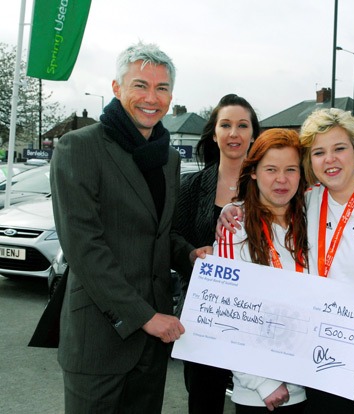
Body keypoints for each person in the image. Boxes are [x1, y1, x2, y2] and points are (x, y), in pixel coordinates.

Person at [218, 109, 354, 413]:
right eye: (318, 152)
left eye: (339, 148)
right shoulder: (307, 202)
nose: (329, 159)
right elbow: (265, 201)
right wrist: (232, 209)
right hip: (320, 374)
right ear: (310, 161)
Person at [50, 42, 200, 413]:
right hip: (101, 339)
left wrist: (191, 255)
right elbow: (84, 247)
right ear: (117, 89)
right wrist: (144, 317)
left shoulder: (167, 157)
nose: (152, 98)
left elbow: (155, 235)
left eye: (162, 88)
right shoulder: (78, 147)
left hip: (152, 344)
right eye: (140, 85)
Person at [172, 93, 260, 413]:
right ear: (214, 134)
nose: (234, 133)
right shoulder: (191, 185)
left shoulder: (269, 186)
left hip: (255, 315)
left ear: (253, 133)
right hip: (204, 314)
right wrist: (192, 254)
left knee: (256, 400)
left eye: (242, 125)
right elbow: (171, 237)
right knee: (204, 400)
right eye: (226, 125)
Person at [216, 128, 309, 413]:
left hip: (311, 385)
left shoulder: (313, 218)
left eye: (291, 169)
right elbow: (224, 313)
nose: (281, 179)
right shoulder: (235, 228)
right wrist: (262, 382)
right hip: (259, 394)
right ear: (253, 171)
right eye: (271, 169)